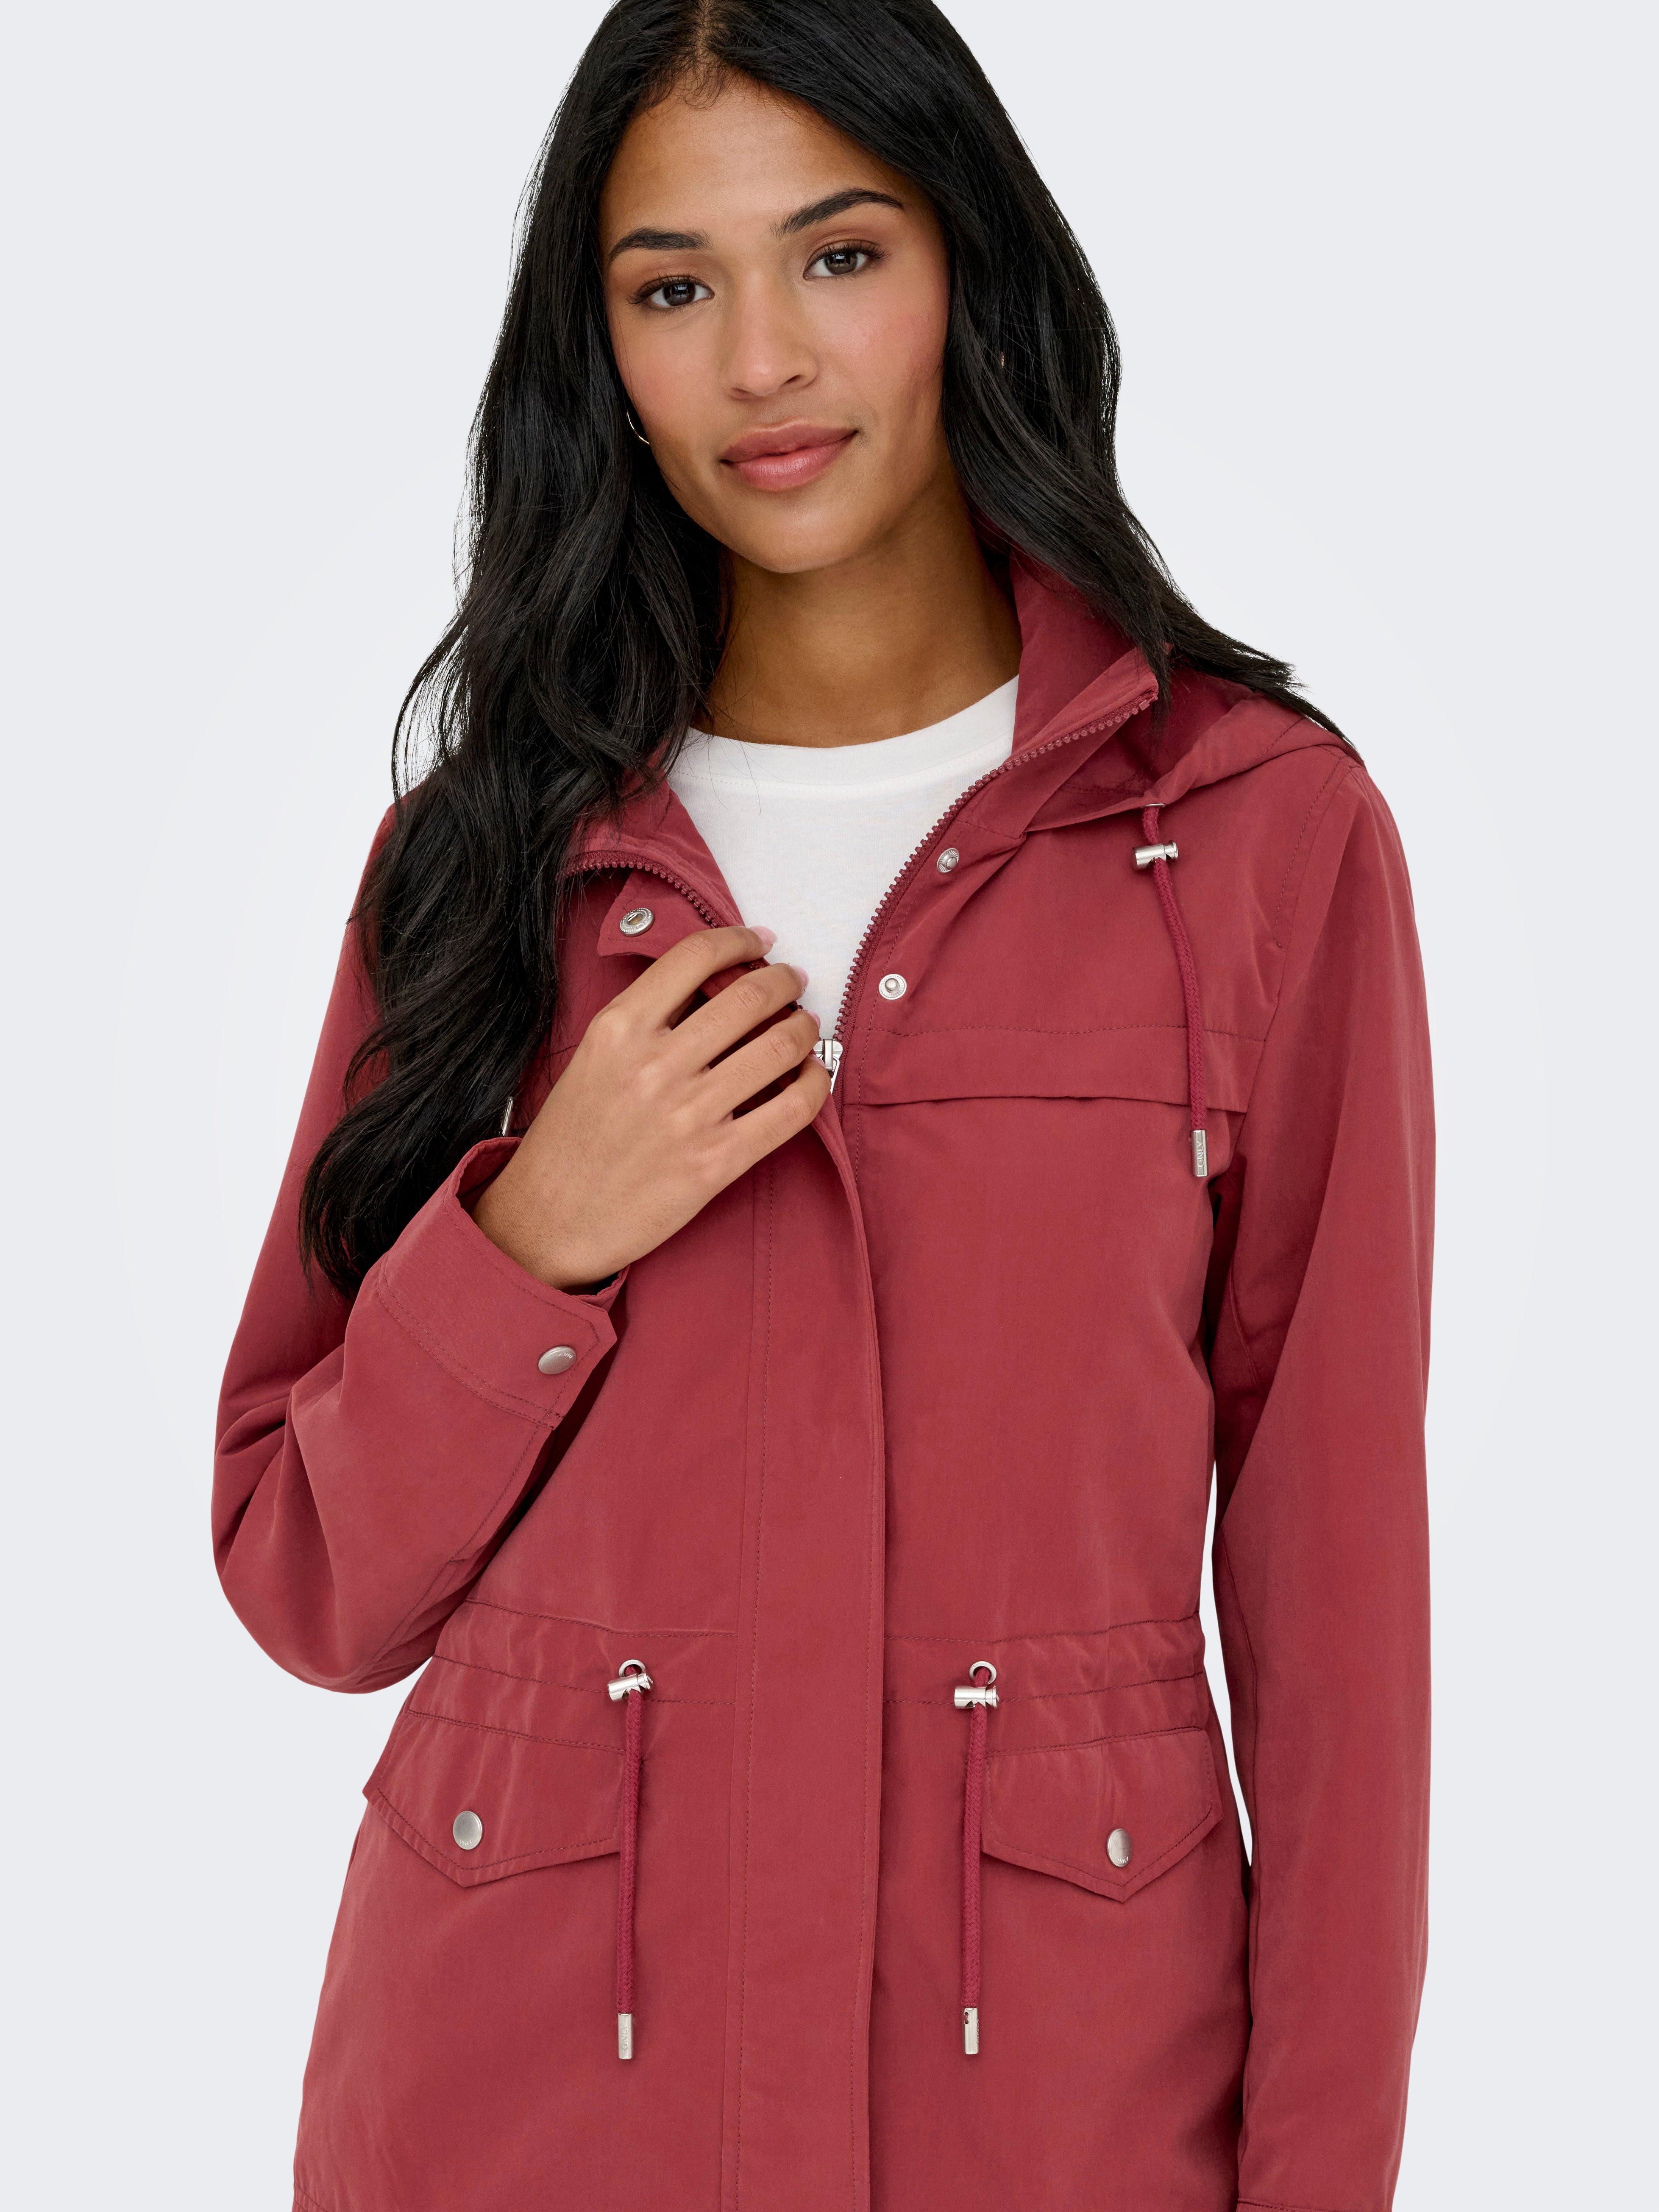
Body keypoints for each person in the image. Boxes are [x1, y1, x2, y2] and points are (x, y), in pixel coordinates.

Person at [213, 3, 1433, 2207]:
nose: (764, 359)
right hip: (522, 2110)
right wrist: (531, 1238)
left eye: (840, 255)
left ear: (973, 267)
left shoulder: (1254, 841)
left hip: (1049, 2112)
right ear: (602, 353)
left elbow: (1338, 1620)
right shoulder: (487, 866)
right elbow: (306, 1579)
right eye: (673, 287)